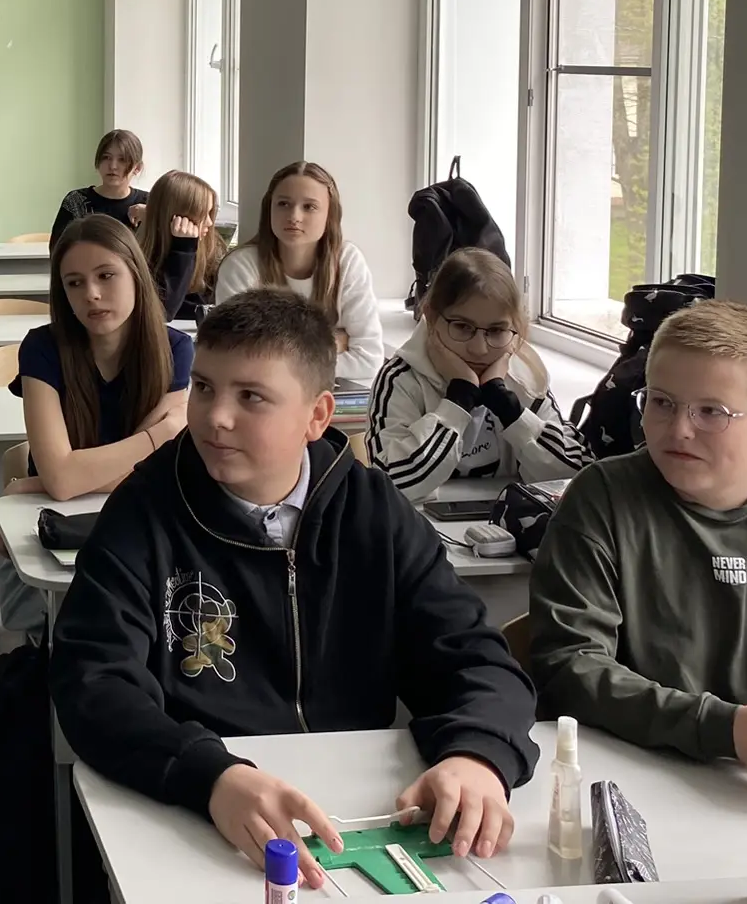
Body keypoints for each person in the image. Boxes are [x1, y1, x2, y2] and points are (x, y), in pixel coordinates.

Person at [50, 290, 537, 885]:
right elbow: (95, 682)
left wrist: (477, 754)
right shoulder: (144, 512)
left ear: (317, 416)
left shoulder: (372, 513)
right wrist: (210, 774)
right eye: (203, 387)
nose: (215, 416)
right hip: (198, 807)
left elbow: (474, 657)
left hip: (355, 806)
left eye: (250, 396)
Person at [529, 300, 747, 785]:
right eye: (661, 402)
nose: (679, 429)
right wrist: (730, 730)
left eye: (712, 411)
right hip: (637, 773)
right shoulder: (602, 497)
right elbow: (569, 669)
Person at [368, 247, 584, 502]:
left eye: (496, 331)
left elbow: (575, 478)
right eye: (462, 326)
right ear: (431, 317)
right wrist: (457, 402)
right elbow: (390, 484)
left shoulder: (526, 379)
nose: (479, 349)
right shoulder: (400, 379)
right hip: (420, 525)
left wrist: (511, 412)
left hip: (507, 524)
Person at [7, 216, 192, 502]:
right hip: (53, 513)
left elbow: (154, 470)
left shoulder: (175, 349)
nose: (91, 294)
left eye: (106, 276)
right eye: (74, 283)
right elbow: (61, 481)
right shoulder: (42, 347)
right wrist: (164, 432)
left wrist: (47, 482)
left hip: (140, 507)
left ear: (136, 275)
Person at [215, 161, 382, 383]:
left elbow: (368, 360)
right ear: (269, 209)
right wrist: (331, 343)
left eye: (309, 207)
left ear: (330, 215)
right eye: (283, 204)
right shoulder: (240, 266)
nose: (294, 216)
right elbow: (234, 358)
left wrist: (275, 353)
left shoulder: (348, 261)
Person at [138, 169, 226, 323]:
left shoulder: (213, 247)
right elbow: (163, 312)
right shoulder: (138, 256)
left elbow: (211, 306)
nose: (210, 222)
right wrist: (184, 249)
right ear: (176, 216)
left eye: (210, 213)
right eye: (203, 214)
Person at [51, 129, 149, 242]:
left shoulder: (148, 203)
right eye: (106, 157)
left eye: (122, 160)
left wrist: (152, 215)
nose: (112, 166)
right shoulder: (76, 201)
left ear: (137, 168)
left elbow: (162, 247)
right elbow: (58, 247)